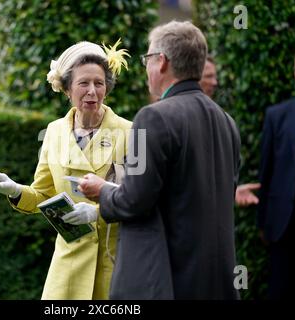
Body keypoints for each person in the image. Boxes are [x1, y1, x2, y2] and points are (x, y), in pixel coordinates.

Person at [76, 21, 241, 299]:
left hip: (166, 280)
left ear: (161, 61)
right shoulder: (227, 121)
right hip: (216, 283)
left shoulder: (151, 117)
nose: (146, 68)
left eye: (147, 59)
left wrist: (102, 190)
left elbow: (133, 201)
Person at [0, 40, 132, 299]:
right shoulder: (54, 132)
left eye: (99, 83)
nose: (92, 91)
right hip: (68, 269)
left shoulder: (131, 132)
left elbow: (139, 200)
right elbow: (41, 195)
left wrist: (97, 213)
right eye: (84, 83)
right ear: (67, 89)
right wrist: (15, 190)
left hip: (112, 266)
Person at [258, 48, 295, 299]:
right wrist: (262, 222)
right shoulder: (276, 115)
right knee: (281, 290)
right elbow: (266, 171)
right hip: (284, 220)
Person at [199, 56, 261, 207]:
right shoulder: (147, 119)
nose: (215, 82)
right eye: (209, 76)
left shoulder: (223, 121)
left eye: (215, 76)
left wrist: (232, 192)